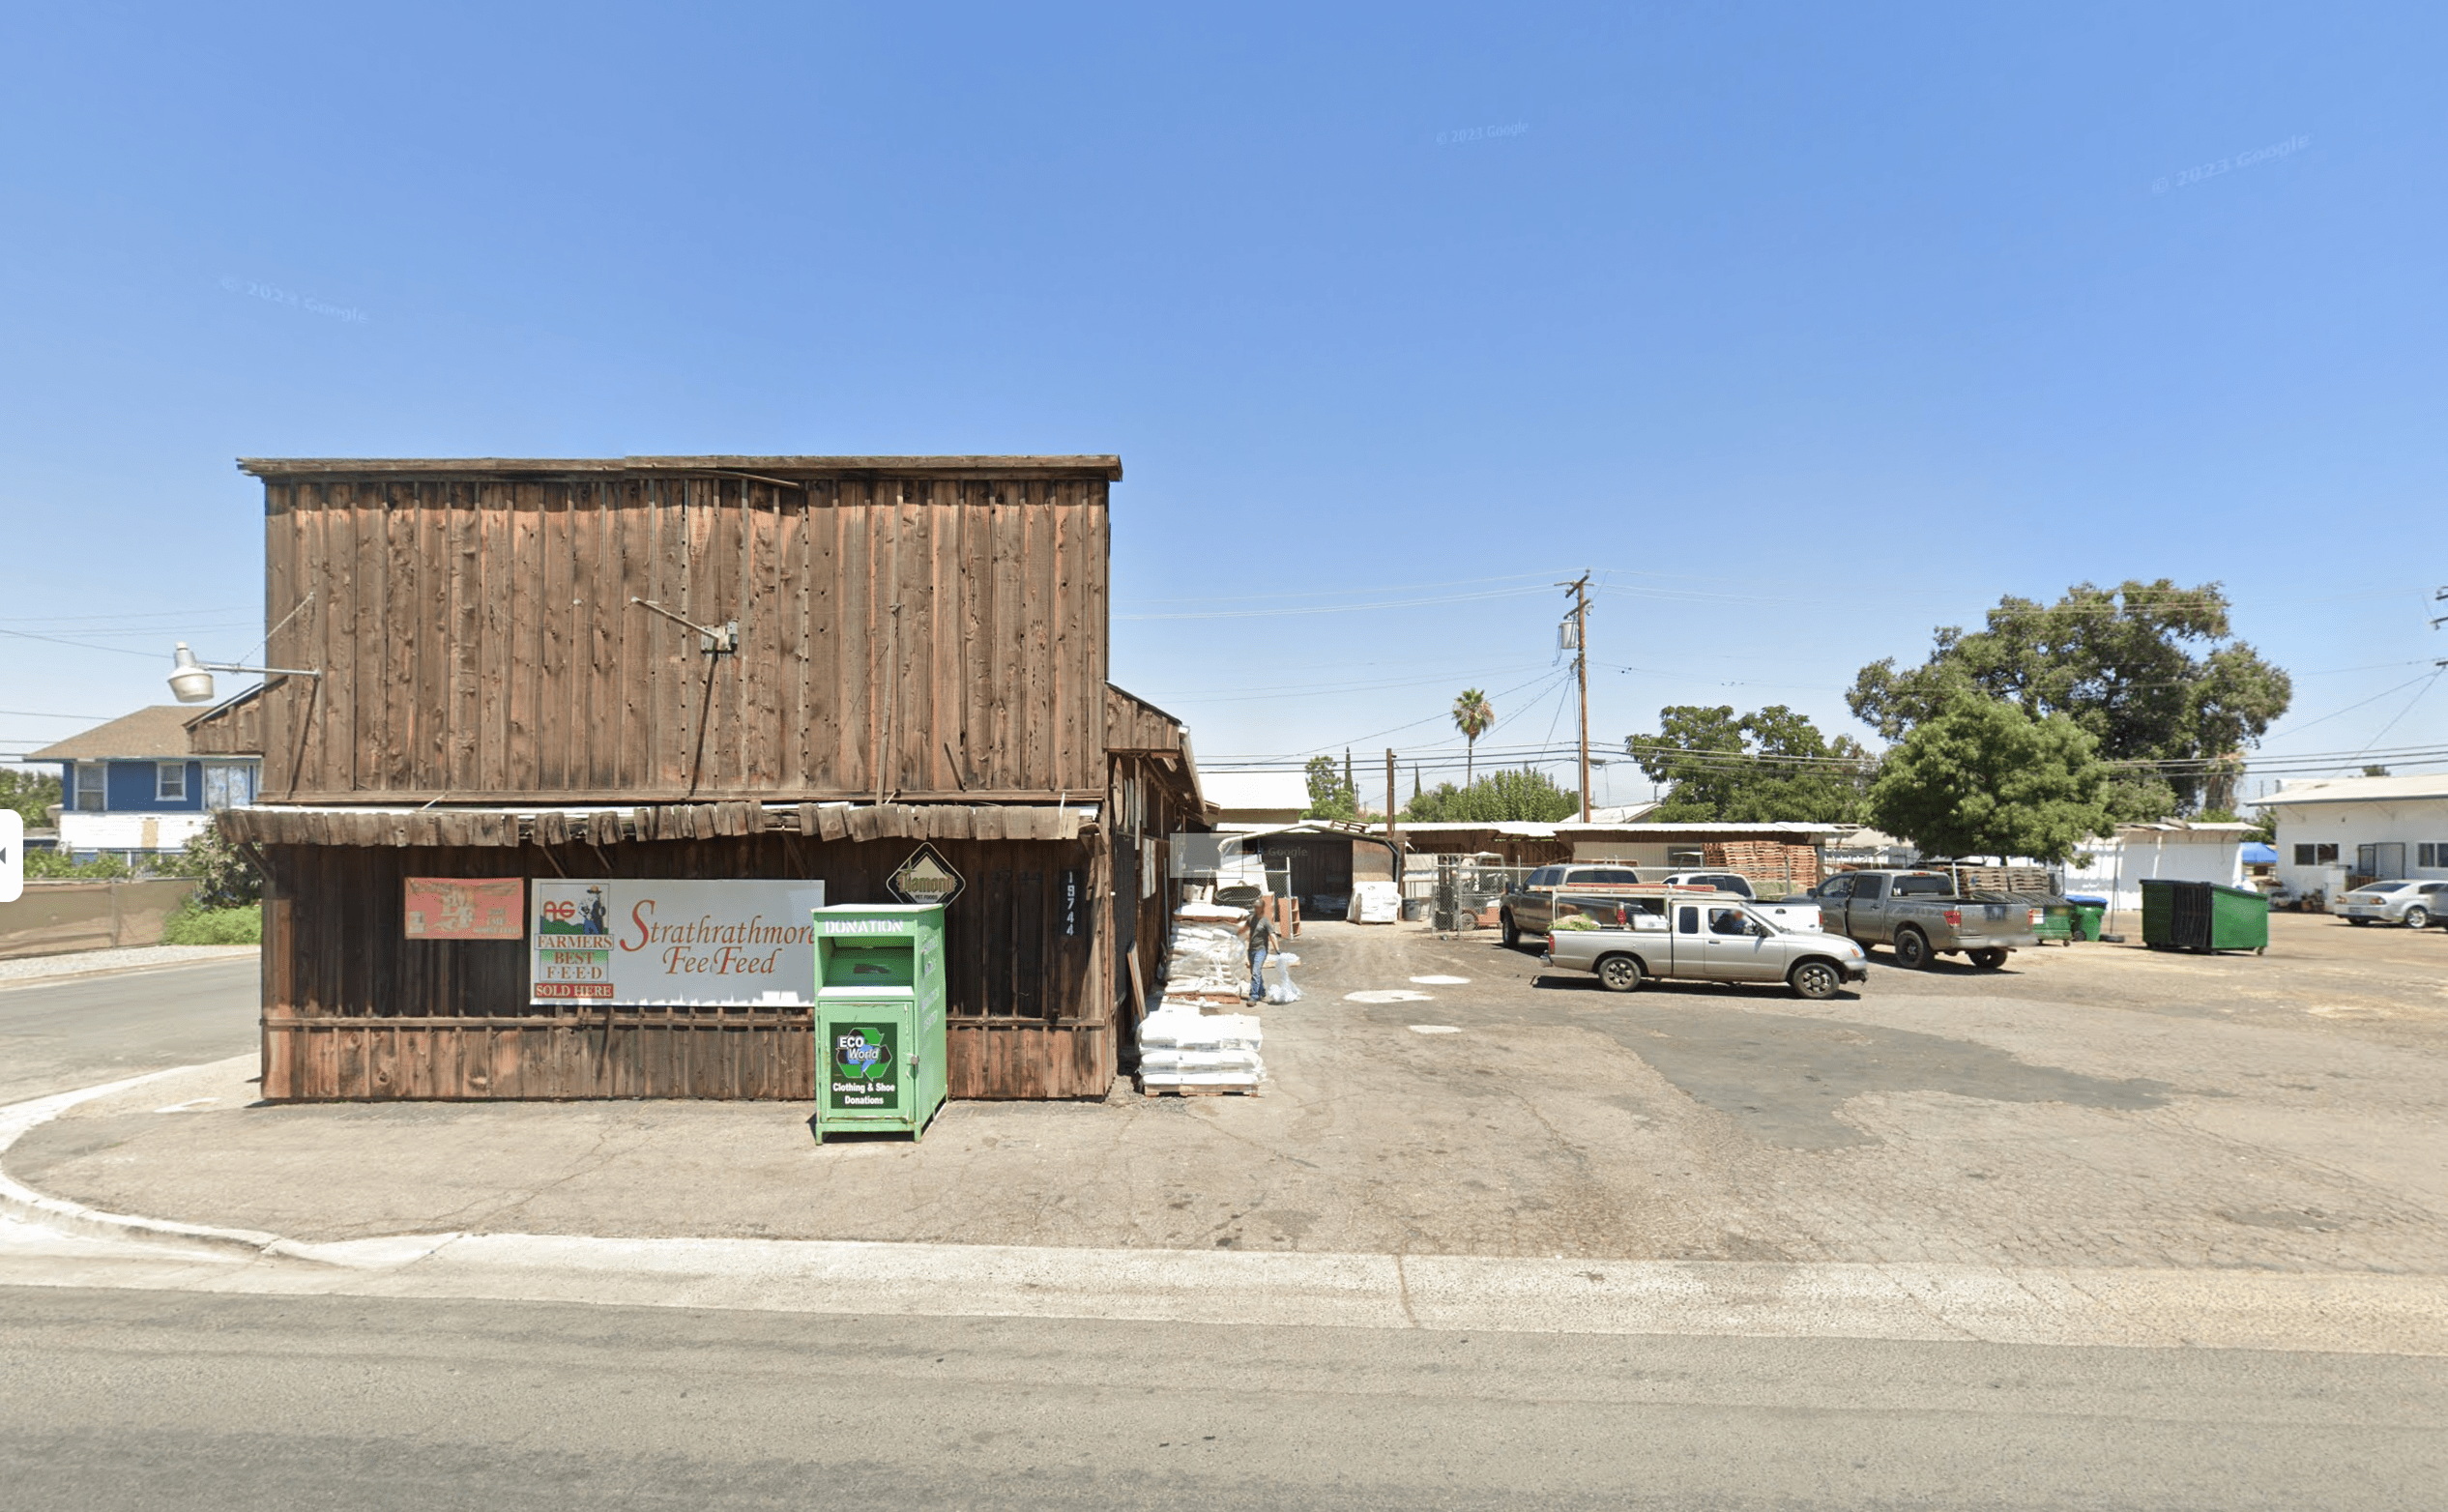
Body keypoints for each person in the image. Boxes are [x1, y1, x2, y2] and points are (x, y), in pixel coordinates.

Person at [1242, 896, 1279, 1003]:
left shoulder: (1265, 921)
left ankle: (1254, 996)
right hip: (1251, 950)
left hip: (1261, 950)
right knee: (1256, 972)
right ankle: (1262, 991)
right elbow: (1244, 929)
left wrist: (1277, 950)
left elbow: (1272, 935)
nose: (1256, 909)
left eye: (1258, 907)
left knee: (1255, 972)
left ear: (1262, 908)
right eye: (1255, 907)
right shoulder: (1251, 919)